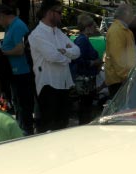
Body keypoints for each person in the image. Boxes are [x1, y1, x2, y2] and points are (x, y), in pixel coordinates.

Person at [29, 0, 80, 132]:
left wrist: (64, 51)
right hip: (48, 86)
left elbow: (77, 51)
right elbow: (52, 56)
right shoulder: (37, 34)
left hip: (63, 84)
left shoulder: (59, 33)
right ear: (50, 13)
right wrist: (68, 56)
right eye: (59, 12)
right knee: (49, 128)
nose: (61, 15)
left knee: (62, 126)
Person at [0, 4, 36, 136]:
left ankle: (26, 131)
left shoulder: (17, 26)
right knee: (17, 102)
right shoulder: (10, 27)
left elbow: (20, 49)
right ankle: (20, 129)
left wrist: (4, 52)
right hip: (14, 72)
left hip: (22, 72)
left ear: (2, 16)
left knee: (23, 104)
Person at [70, 13, 102, 125]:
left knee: (86, 107)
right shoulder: (82, 40)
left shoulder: (83, 39)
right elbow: (78, 59)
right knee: (85, 108)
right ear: (87, 27)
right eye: (93, 25)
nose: (95, 27)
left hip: (87, 80)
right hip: (84, 81)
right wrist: (94, 62)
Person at [105, 4, 136, 97]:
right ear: (126, 14)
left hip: (123, 78)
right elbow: (117, 58)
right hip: (119, 81)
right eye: (132, 13)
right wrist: (126, 76)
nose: (133, 16)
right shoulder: (116, 30)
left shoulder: (124, 30)